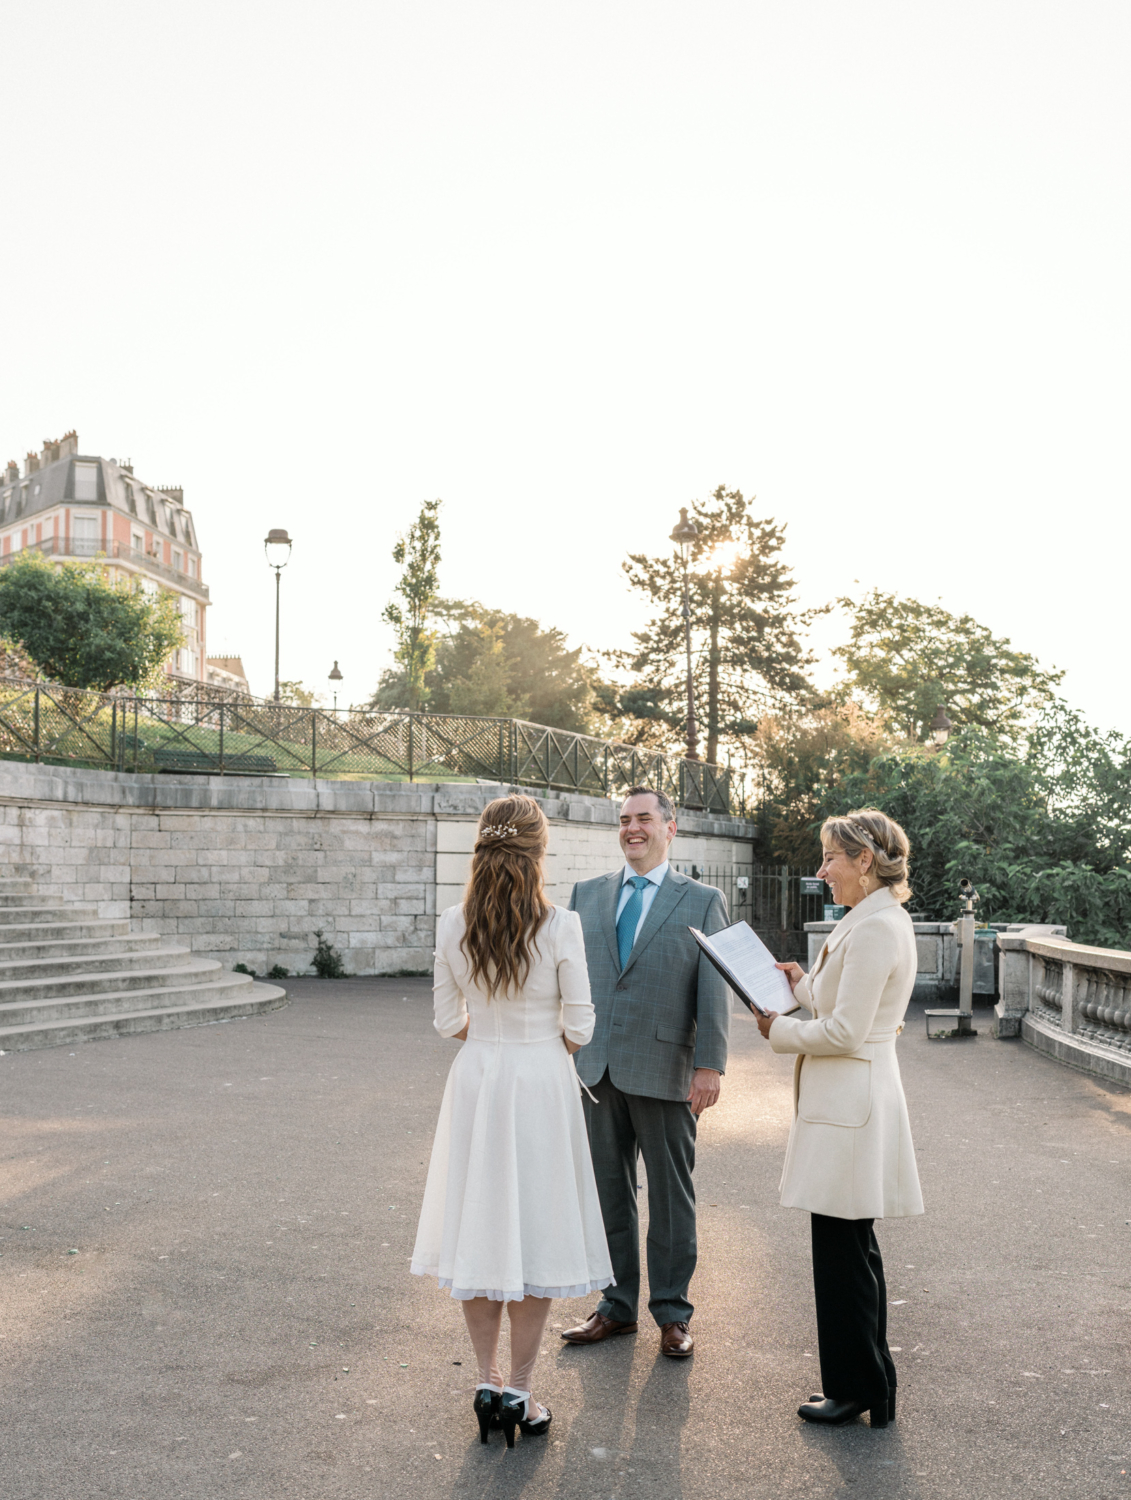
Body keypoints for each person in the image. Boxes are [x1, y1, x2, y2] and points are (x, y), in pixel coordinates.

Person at [411, 795, 613, 1449]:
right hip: (539, 1082)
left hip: (476, 1079)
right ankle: (521, 1390)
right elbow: (580, 1026)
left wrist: (491, 1039)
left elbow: (446, 1024)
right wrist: (533, 1043)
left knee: (481, 1226)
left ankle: (487, 1380)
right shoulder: (559, 924)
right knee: (534, 1229)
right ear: (539, 850)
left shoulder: (450, 922)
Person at [754, 807, 924, 1429]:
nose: (822, 870)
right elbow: (843, 1001)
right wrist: (802, 984)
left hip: (852, 1101)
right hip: (848, 1099)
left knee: (844, 1255)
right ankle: (869, 1384)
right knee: (851, 1250)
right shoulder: (869, 919)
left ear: (865, 861)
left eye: (831, 857)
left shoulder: (876, 927)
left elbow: (849, 1030)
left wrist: (781, 1031)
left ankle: (859, 1388)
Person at [561, 786, 730, 1358]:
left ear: (670, 827)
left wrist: (710, 1064)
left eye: (644, 819)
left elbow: (715, 991)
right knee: (608, 1193)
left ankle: (673, 1313)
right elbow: (568, 979)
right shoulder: (586, 895)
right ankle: (616, 1305)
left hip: (669, 1069)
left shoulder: (702, 900)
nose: (633, 828)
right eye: (624, 820)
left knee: (671, 1196)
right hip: (596, 1068)